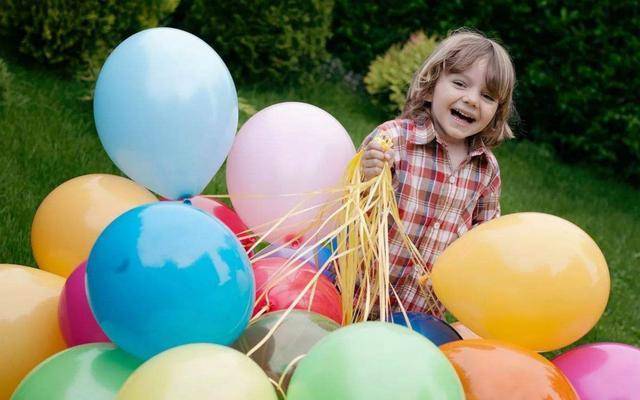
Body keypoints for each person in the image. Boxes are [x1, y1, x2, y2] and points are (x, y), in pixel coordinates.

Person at [361, 29, 516, 317]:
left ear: (497, 110)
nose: (471, 100)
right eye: (460, 83)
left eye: (487, 96)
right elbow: (354, 206)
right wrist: (367, 172)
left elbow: (485, 237)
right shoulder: (393, 139)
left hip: (422, 311)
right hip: (364, 291)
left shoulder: (486, 170)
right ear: (431, 87)